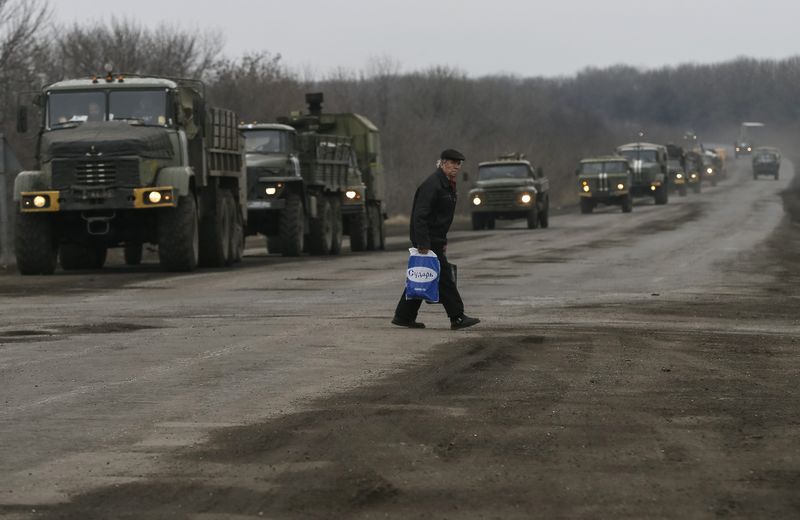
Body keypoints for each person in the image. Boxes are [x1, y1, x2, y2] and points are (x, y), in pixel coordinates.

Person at [392, 148, 481, 330]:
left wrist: (442, 240)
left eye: (458, 164)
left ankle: (404, 316)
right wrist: (423, 243)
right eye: (452, 163)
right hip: (428, 240)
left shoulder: (447, 184)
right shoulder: (433, 185)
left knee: (423, 276)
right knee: (444, 278)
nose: (456, 166)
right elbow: (420, 216)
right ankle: (457, 317)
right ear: (442, 163)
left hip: (436, 239)